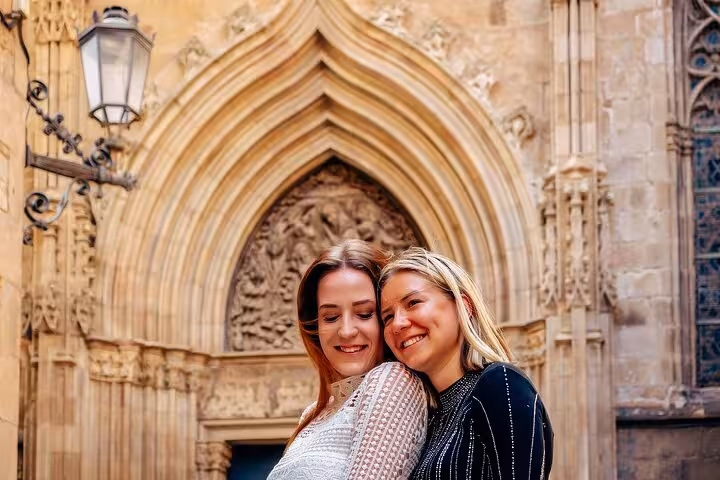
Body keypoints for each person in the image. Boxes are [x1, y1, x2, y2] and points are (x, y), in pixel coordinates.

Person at [379, 247, 553, 480]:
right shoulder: (424, 419)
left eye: (413, 302)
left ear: (463, 307)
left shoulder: (500, 383)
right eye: (387, 316)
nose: (397, 324)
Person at [267, 240, 427, 480]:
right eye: (330, 317)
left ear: (386, 318)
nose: (346, 331)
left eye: (364, 314)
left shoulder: (392, 381)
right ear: (315, 327)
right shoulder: (313, 414)